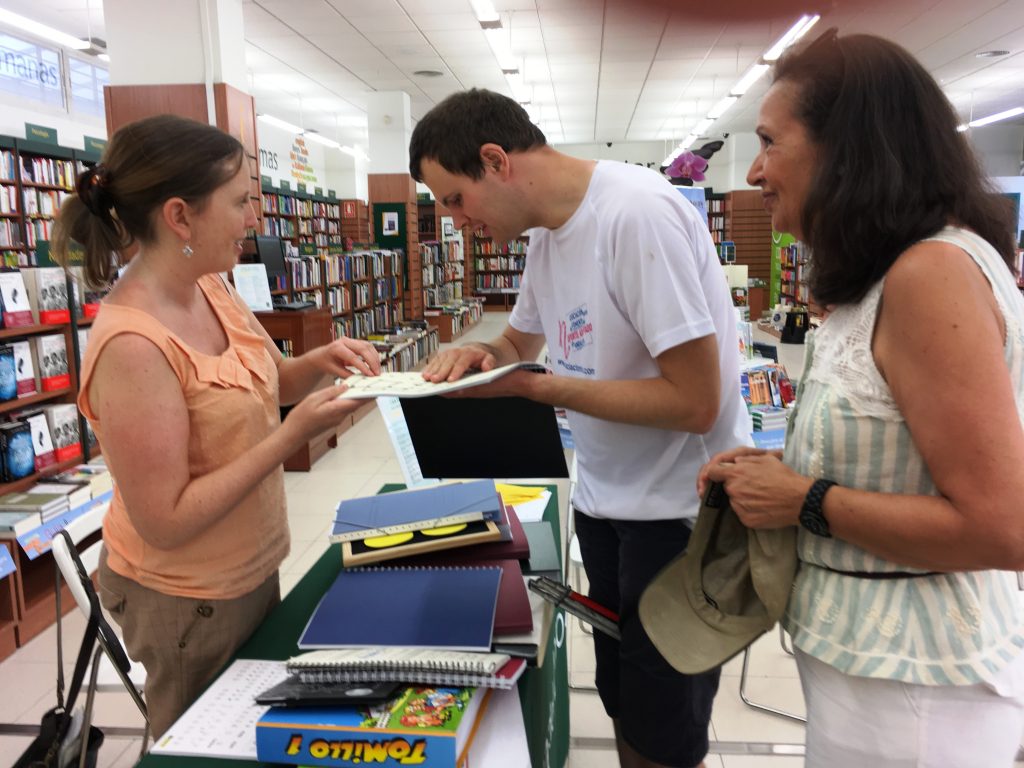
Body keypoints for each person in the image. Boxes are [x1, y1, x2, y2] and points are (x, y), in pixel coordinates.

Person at [698, 30, 1024, 767]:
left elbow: (1004, 527)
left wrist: (803, 498)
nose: (752, 170)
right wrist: (774, 470)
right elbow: (902, 453)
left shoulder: (928, 275)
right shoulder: (895, 273)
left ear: (848, 150)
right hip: (878, 668)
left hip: (917, 690)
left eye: (769, 142)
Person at [410, 88, 751, 768]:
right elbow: (517, 346)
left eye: (454, 199)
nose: (456, 220)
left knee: (665, 718)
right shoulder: (544, 236)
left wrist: (538, 391)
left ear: (495, 160)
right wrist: (481, 359)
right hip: (605, 503)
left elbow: (694, 402)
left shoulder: (636, 216)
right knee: (624, 692)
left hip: (682, 515)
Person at [52, 114, 380, 737]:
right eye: (240, 202)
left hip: (249, 570)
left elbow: (271, 381)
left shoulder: (213, 287)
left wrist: (320, 359)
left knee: (258, 730)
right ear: (181, 216)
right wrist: (288, 438)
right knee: (203, 743)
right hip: (187, 602)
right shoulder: (132, 345)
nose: (254, 218)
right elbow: (165, 520)